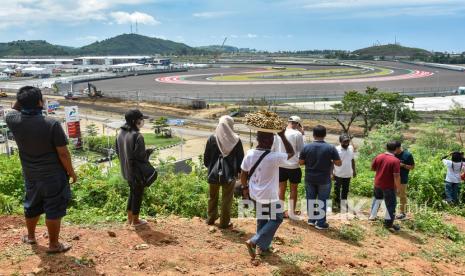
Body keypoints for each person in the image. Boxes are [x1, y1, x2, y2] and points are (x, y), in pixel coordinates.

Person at [6, 86, 76, 254]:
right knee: (53, 208)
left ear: (21, 102)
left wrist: (22, 98)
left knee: (32, 205)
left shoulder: (13, 120)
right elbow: (63, 153)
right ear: (40, 102)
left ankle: (30, 236)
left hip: (31, 174)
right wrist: (72, 172)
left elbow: (14, 109)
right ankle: (53, 244)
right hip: (53, 176)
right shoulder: (51, 123)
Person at [241, 130, 294, 259]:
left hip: (255, 193)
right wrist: (282, 135)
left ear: (258, 139)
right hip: (270, 195)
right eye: (272, 139)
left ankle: (262, 247)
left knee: (262, 219)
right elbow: (291, 153)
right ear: (269, 141)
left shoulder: (250, 153)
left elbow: (243, 173)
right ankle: (255, 240)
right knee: (277, 218)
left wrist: (245, 188)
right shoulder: (274, 157)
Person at [203, 115, 244, 229]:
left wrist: (211, 168)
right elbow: (241, 158)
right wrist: (238, 172)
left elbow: (206, 158)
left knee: (212, 197)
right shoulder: (236, 140)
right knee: (227, 199)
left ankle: (211, 218)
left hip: (213, 174)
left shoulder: (212, 138)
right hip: (229, 175)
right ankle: (224, 223)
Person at [299, 125, 341, 230]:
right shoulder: (331, 148)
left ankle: (312, 220)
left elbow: (300, 162)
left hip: (310, 178)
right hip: (324, 179)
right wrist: (330, 162)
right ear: (325, 135)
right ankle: (321, 223)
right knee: (323, 201)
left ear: (313, 135)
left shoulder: (306, 147)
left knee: (310, 199)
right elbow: (338, 163)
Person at [116, 109, 152, 227]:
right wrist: (148, 153)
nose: (142, 121)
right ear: (134, 121)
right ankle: (136, 221)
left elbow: (118, 151)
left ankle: (130, 219)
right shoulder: (137, 136)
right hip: (136, 172)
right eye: (140, 119)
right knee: (138, 194)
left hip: (125, 170)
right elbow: (141, 157)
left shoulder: (120, 133)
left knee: (132, 193)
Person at [271, 116, 305, 219]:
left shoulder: (278, 133)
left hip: (280, 165)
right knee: (293, 190)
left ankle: (279, 212)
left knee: (281, 189)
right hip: (293, 166)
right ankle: (291, 213)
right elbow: (301, 150)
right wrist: (302, 134)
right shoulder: (297, 134)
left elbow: (273, 149)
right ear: (298, 125)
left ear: (289, 122)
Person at [369, 141, 401, 231]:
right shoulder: (396, 161)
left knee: (377, 200)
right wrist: (398, 188)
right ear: (396, 149)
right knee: (391, 204)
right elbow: (396, 176)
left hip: (377, 183)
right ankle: (388, 224)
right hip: (389, 186)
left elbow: (372, 168)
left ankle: (372, 216)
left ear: (386, 148)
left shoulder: (379, 156)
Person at [332, 134, 356, 213]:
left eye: (348, 141)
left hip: (348, 173)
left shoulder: (351, 148)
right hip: (338, 173)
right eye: (344, 141)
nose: (346, 143)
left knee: (345, 190)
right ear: (340, 141)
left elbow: (352, 160)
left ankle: (343, 204)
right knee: (337, 189)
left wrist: (354, 170)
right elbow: (332, 162)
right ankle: (336, 203)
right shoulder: (336, 149)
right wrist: (332, 173)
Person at [394, 141, 415, 220]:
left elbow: (412, 167)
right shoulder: (392, 154)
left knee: (402, 196)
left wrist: (403, 165)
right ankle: (391, 211)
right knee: (392, 195)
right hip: (392, 178)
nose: (394, 151)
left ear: (399, 148)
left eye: (395, 149)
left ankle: (402, 213)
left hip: (403, 179)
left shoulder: (407, 155)